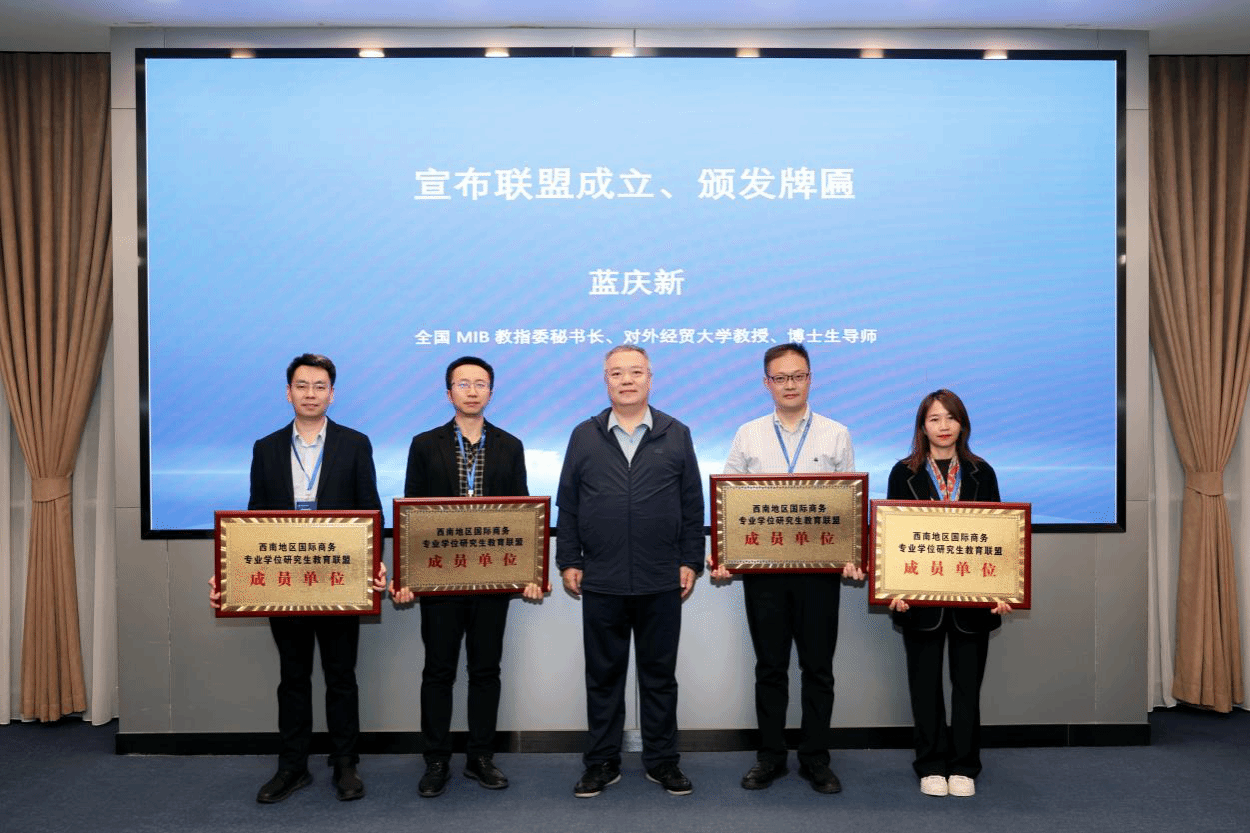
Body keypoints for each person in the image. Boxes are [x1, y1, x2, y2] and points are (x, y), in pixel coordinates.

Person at [210, 353, 387, 804]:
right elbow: (253, 519)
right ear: (288, 393)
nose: (311, 394)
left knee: (341, 676)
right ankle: (292, 766)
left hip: (340, 579)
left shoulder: (355, 443)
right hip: (284, 579)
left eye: (320, 386)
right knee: (293, 677)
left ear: (332, 394)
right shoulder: (266, 448)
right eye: (302, 386)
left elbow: (370, 508)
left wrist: (374, 564)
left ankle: (345, 764)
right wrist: (232, 575)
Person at [710, 342, 862, 794]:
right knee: (770, 668)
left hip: (819, 574)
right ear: (767, 383)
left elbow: (849, 507)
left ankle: (815, 758)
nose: (789, 385)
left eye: (797, 376)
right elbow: (728, 501)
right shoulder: (748, 435)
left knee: (818, 668)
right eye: (780, 378)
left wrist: (853, 551)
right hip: (765, 574)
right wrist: (723, 554)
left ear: (810, 379)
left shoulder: (836, 434)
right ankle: (771, 757)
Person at [555, 345, 704, 798]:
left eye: (635, 372)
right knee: (603, 678)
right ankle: (601, 762)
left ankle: (663, 761)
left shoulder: (676, 433)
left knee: (659, 678)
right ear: (606, 381)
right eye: (616, 373)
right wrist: (569, 560)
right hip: (602, 578)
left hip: (661, 577)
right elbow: (569, 502)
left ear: (650, 379)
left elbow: (692, 503)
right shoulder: (584, 435)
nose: (626, 380)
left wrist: (690, 560)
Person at [389, 356, 541, 797]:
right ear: (448, 392)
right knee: (438, 671)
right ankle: (436, 759)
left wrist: (529, 571)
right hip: (440, 580)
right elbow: (412, 512)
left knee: (485, 670)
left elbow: (522, 513)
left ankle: (481, 757)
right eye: (463, 383)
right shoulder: (424, 444)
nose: (472, 391)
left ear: (491, 391)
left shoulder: (510, 445)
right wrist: (407, 575)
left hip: (493, 579)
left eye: (480, 383)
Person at [885, 388, 1011, 799]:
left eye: (951, 418)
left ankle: (964, 765)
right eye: (934, 419)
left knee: (967, 688)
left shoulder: (981, 472)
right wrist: (892, 587)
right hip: (919, 601)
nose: (943, 426)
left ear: (962, 424)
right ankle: (931, 764)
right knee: (924, 687)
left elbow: (998, 536)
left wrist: (1003, 589)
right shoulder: (903, 473)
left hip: (972, 603)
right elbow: (893, 537)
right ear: (922, 427)